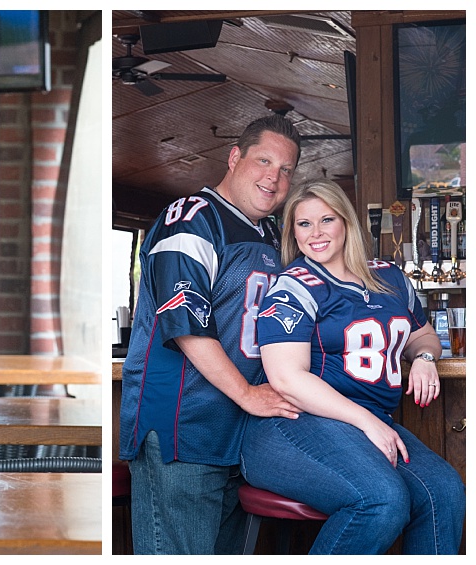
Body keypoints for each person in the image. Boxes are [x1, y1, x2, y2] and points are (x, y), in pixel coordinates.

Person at [242, 179, 465, 554]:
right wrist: (367, 422)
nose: (316, 233)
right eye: (304, 223)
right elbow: (287, 378)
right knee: (381, 500)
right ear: (292, 232)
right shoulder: (293, 287)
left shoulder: (390, 276)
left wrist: (426, 358)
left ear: (346, 222)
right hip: (293, 425)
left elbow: (423, 336)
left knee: (445, 491)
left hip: (366, 424)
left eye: (326, 219)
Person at [118, 114, 304, 554]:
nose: (273, 178)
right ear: (235, 156)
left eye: (286, 170)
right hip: (183, 429)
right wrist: (247, 394)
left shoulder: (271, 232)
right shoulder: (191, 218)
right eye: (264, 161)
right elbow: (186, 323)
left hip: (240, 435)